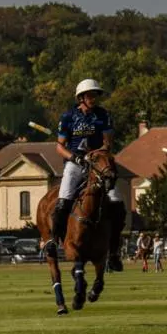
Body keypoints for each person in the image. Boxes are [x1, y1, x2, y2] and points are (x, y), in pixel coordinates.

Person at [48, 79, 127, 270]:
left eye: (95, 95)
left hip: (97, 162)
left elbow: (107, 143)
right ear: (81, 98)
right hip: (75, 164)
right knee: (63, 201)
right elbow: (59, 147)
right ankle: (53, 241)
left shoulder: (103, 115)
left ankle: (114, 252)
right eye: (90, 95)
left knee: (117, 204)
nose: (93, 98)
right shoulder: (68, 117)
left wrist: (96, 154)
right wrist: (74, 157)